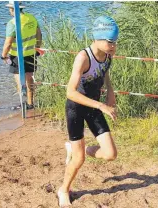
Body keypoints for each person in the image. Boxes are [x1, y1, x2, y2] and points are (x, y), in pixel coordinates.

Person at [58, 16, 119, 207]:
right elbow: (70, 92)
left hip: (93, 107)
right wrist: (101, 105)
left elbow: (105, 73)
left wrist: (110, 92)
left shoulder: (108, 55)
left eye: (115, 42)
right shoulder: (83, 58)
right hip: (76, 109)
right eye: (110, 42)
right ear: (97, 38)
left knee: (110, 154)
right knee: (78, 160)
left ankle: (79, 150)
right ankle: (63, 190)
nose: (113, 46)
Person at [1, 1, 42, 110]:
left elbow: (8, 42)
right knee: (29, 78)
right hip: (31, 53)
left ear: (12, 9)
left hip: (17, 56)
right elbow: (39, 33)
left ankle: (22, 103)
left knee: (19, 79)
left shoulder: (13, 23)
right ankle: (30, 103)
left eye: (9, 8)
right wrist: (38, 47)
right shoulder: (31, 18)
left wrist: (3, 55)